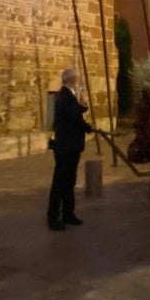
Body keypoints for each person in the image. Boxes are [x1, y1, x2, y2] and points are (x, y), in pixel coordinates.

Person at [47, 69, 93, 230]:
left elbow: (77, 118)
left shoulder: (66, 96)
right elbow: (77, 113)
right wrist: (81, 99)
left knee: (69, 182)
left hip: (70, 146)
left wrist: (88, 127)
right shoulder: (66, 96)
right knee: (60, 183)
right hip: (66, 147)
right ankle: (53, 218)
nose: (78, 82)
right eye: (76, 80)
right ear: (71, 80)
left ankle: (68, 213)